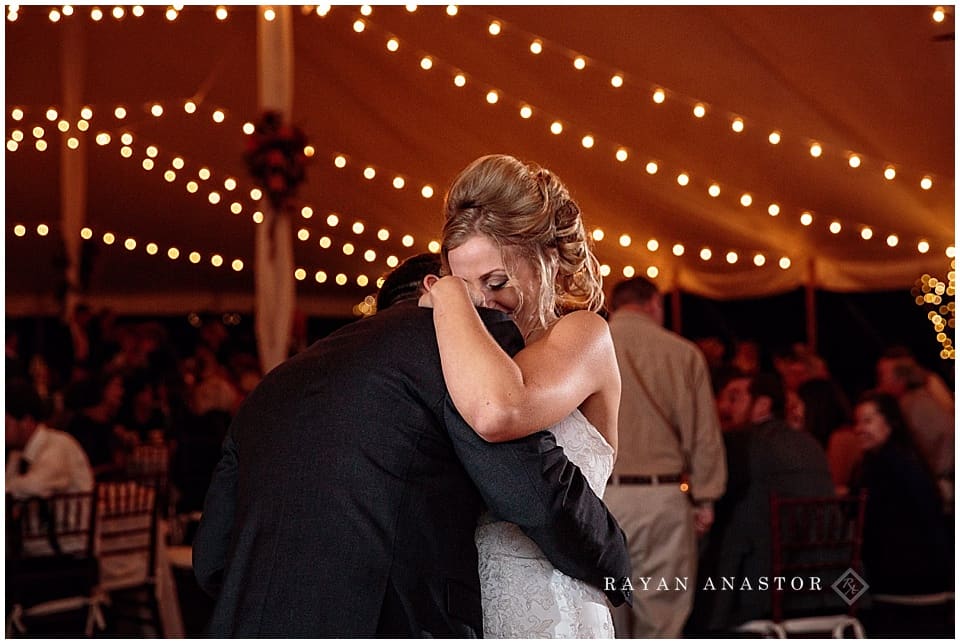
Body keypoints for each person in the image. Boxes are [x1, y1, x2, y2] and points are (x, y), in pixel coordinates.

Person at [192, 253, 632, 637]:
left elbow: (211, 559)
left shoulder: (274, 384)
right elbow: (531, 492)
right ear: (438, 294)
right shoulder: (448, 353)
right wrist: (616, 563)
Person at [424, 154, 623, 637]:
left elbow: (500, 410)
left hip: (556, 610)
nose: (483, 304)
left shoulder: (583, 335)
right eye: (466, 289)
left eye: (496, 283)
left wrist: (447, 296)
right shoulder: (463, 354)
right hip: (469, 610)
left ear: (546, 259)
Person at [588, 276, 726, 637]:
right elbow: (703, 433)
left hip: (602, 496)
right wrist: (705, 497)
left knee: (605, 610)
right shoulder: (682, 353)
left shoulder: (589, 348)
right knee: (663, 614)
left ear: (614, 306)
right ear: (654, 305)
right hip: (663, 497)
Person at [691, 372, 834, 633]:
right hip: (828, 584)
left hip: (764, 589)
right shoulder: (810, 443)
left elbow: (719, 516)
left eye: (735, 398)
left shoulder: (741, 444)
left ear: (763, 404)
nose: (725, 406)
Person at [850, 391, 952, 596]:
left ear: (890, 423)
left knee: (840, 587)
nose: (859, 429)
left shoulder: (887, 465)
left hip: (902, 572)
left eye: (867, 421)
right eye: (857, 422)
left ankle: (847, 617)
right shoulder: (905, 458)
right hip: (930, 570)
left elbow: (868, 523)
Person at [6, 379, 94, 500]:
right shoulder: (17, 453)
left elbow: (36, 485)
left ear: (26, 422)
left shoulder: (58, 445)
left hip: (68, 519)